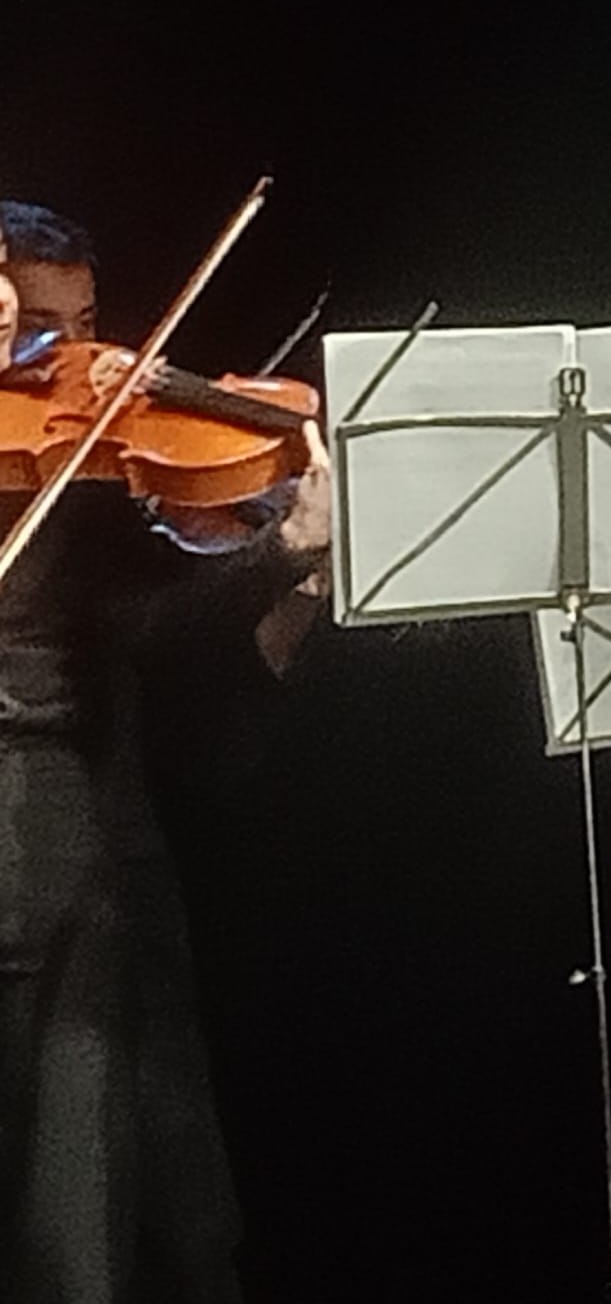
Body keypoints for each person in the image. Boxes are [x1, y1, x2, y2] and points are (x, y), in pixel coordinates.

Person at [0, 199, 330, 1304]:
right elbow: (157, 623)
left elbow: (174, 659)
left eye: (83, 323)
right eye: (34, 330)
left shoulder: (87, 470)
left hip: (117, 853)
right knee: (65, 1233)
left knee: (187, 1222)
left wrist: (290, 568)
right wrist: (278, 549)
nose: (75, 365)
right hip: (32, 864)